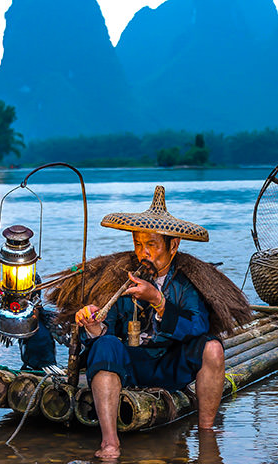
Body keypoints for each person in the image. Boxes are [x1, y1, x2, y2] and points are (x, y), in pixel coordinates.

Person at [73, 185, 244, 460]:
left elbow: (198, 326)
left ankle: (207, 431)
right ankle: (110, 443)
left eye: (152, 245)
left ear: (172, 246)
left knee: (212, 348)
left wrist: (159, 301)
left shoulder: (187, 283)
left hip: (167, 364)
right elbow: (108, 331)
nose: (144, 253)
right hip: (129, 364)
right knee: (103, 346)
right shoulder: (120, 277)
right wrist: (92, 324)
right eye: (138, 244)